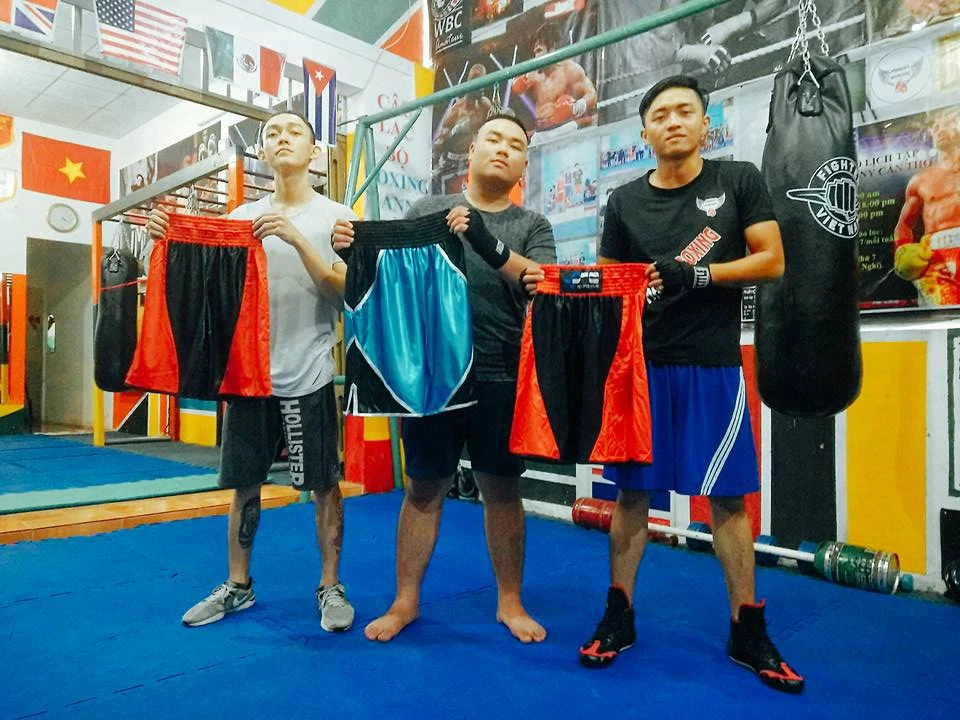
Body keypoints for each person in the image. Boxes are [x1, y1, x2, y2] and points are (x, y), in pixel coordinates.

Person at [579, 76, 803, 694]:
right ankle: (619, 615)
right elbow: (608, 283)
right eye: (661, 114)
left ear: (706, 124)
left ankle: (746, 628)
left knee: (727, 500)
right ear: (645, 132)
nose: (673, 120)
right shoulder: (625, 201)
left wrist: (697, 275)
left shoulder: (737, 181)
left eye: (685, 111)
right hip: (643, 372)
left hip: (712, 367)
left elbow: (772, 260)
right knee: (631, 497)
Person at [333, 111, 556, 644]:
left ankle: (510, 601)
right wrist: (352, 250)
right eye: (493, 138)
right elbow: (387, 279)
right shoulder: (427, 211)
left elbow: (539, 281)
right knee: (423, 487)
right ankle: (405, 600)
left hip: (500, 370)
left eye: (515, 144)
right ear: (472, 151)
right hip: (431, 375)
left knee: (501, 488)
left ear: (524, 164)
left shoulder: (532, 225)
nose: (503, 149)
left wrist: (483, 238)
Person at [146, 111, 358, 631]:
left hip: (309, 370)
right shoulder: (241, 216)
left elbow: (345, 295)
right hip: (249, 373)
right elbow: (202, 278)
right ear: (262, 151)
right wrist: (168, 236)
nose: (282, 138)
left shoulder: (337, 216)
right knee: (244, 484)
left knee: (323, 484)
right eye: (272, 134)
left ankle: (331, 584)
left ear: (314, 151)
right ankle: (238, 586)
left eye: (294, 131)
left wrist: (296, 238)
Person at [893, 108, 960, 306]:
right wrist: (903, 251)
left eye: (946, 123)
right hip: (936, 261)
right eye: (935, 126)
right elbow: (904, 225)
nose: (939, 129)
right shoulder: (921, 180)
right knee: (940, 316)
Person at [511, 22, 597, 135]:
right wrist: (518, 84)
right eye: (535, 53)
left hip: (564, 127)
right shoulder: (532, 74)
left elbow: (592, 94)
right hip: (540, 132)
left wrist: (576, 107)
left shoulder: (569, 70)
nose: (536, 57)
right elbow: (517, 89)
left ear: (551, 48)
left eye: (539, 51)